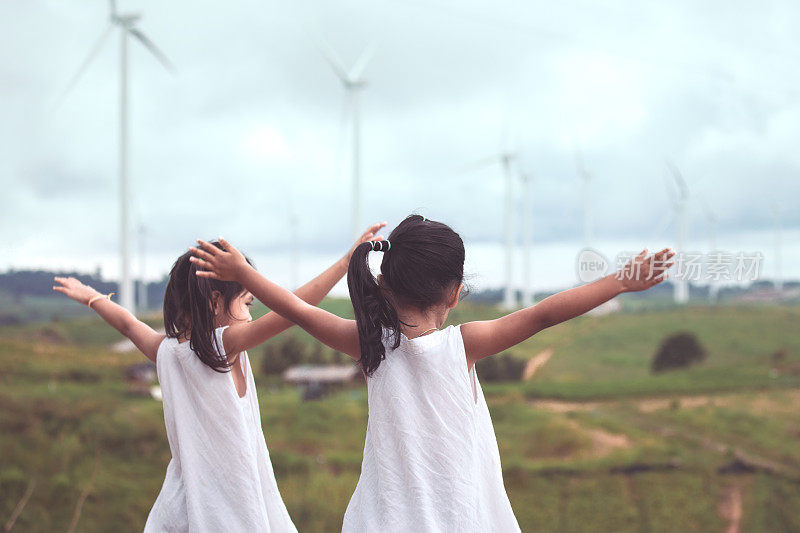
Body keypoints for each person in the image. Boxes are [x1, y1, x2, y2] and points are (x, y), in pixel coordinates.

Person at [189, 214, 674, 532]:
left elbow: (293, 308)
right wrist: (620, 281)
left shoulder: (367, 344)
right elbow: (543, 314)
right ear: (455, 293)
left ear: (382, 282)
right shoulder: (464, 344)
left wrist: (245, 276)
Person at [52, 222, 386, 532]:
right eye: (248, 302)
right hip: (228, 504)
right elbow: (294, 309)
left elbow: (128, 324)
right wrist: (345, 263)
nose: (252, 313)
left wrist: (93, 299)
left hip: (181, 505)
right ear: (215, 302)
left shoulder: (164, 351)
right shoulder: (222, 345)